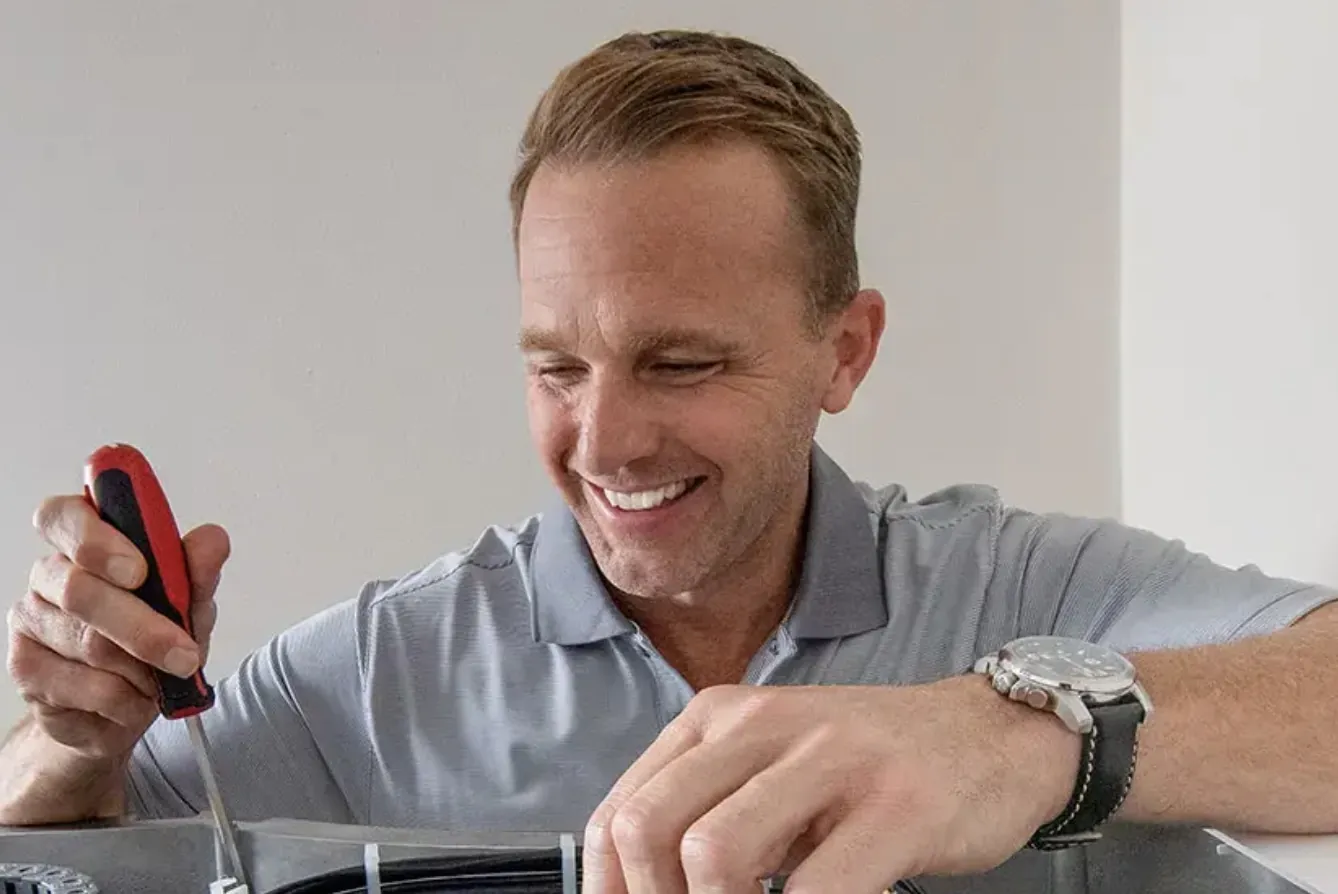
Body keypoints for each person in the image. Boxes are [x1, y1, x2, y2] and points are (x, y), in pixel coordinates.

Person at [3, 28, 1336, 894]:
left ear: (845, 351)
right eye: (555, 366)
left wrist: (1013, 733)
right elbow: (60, 848)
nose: (607, 440)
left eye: (682, 363)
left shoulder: (1028, 594)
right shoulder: (378, 671)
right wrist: (71, 743)